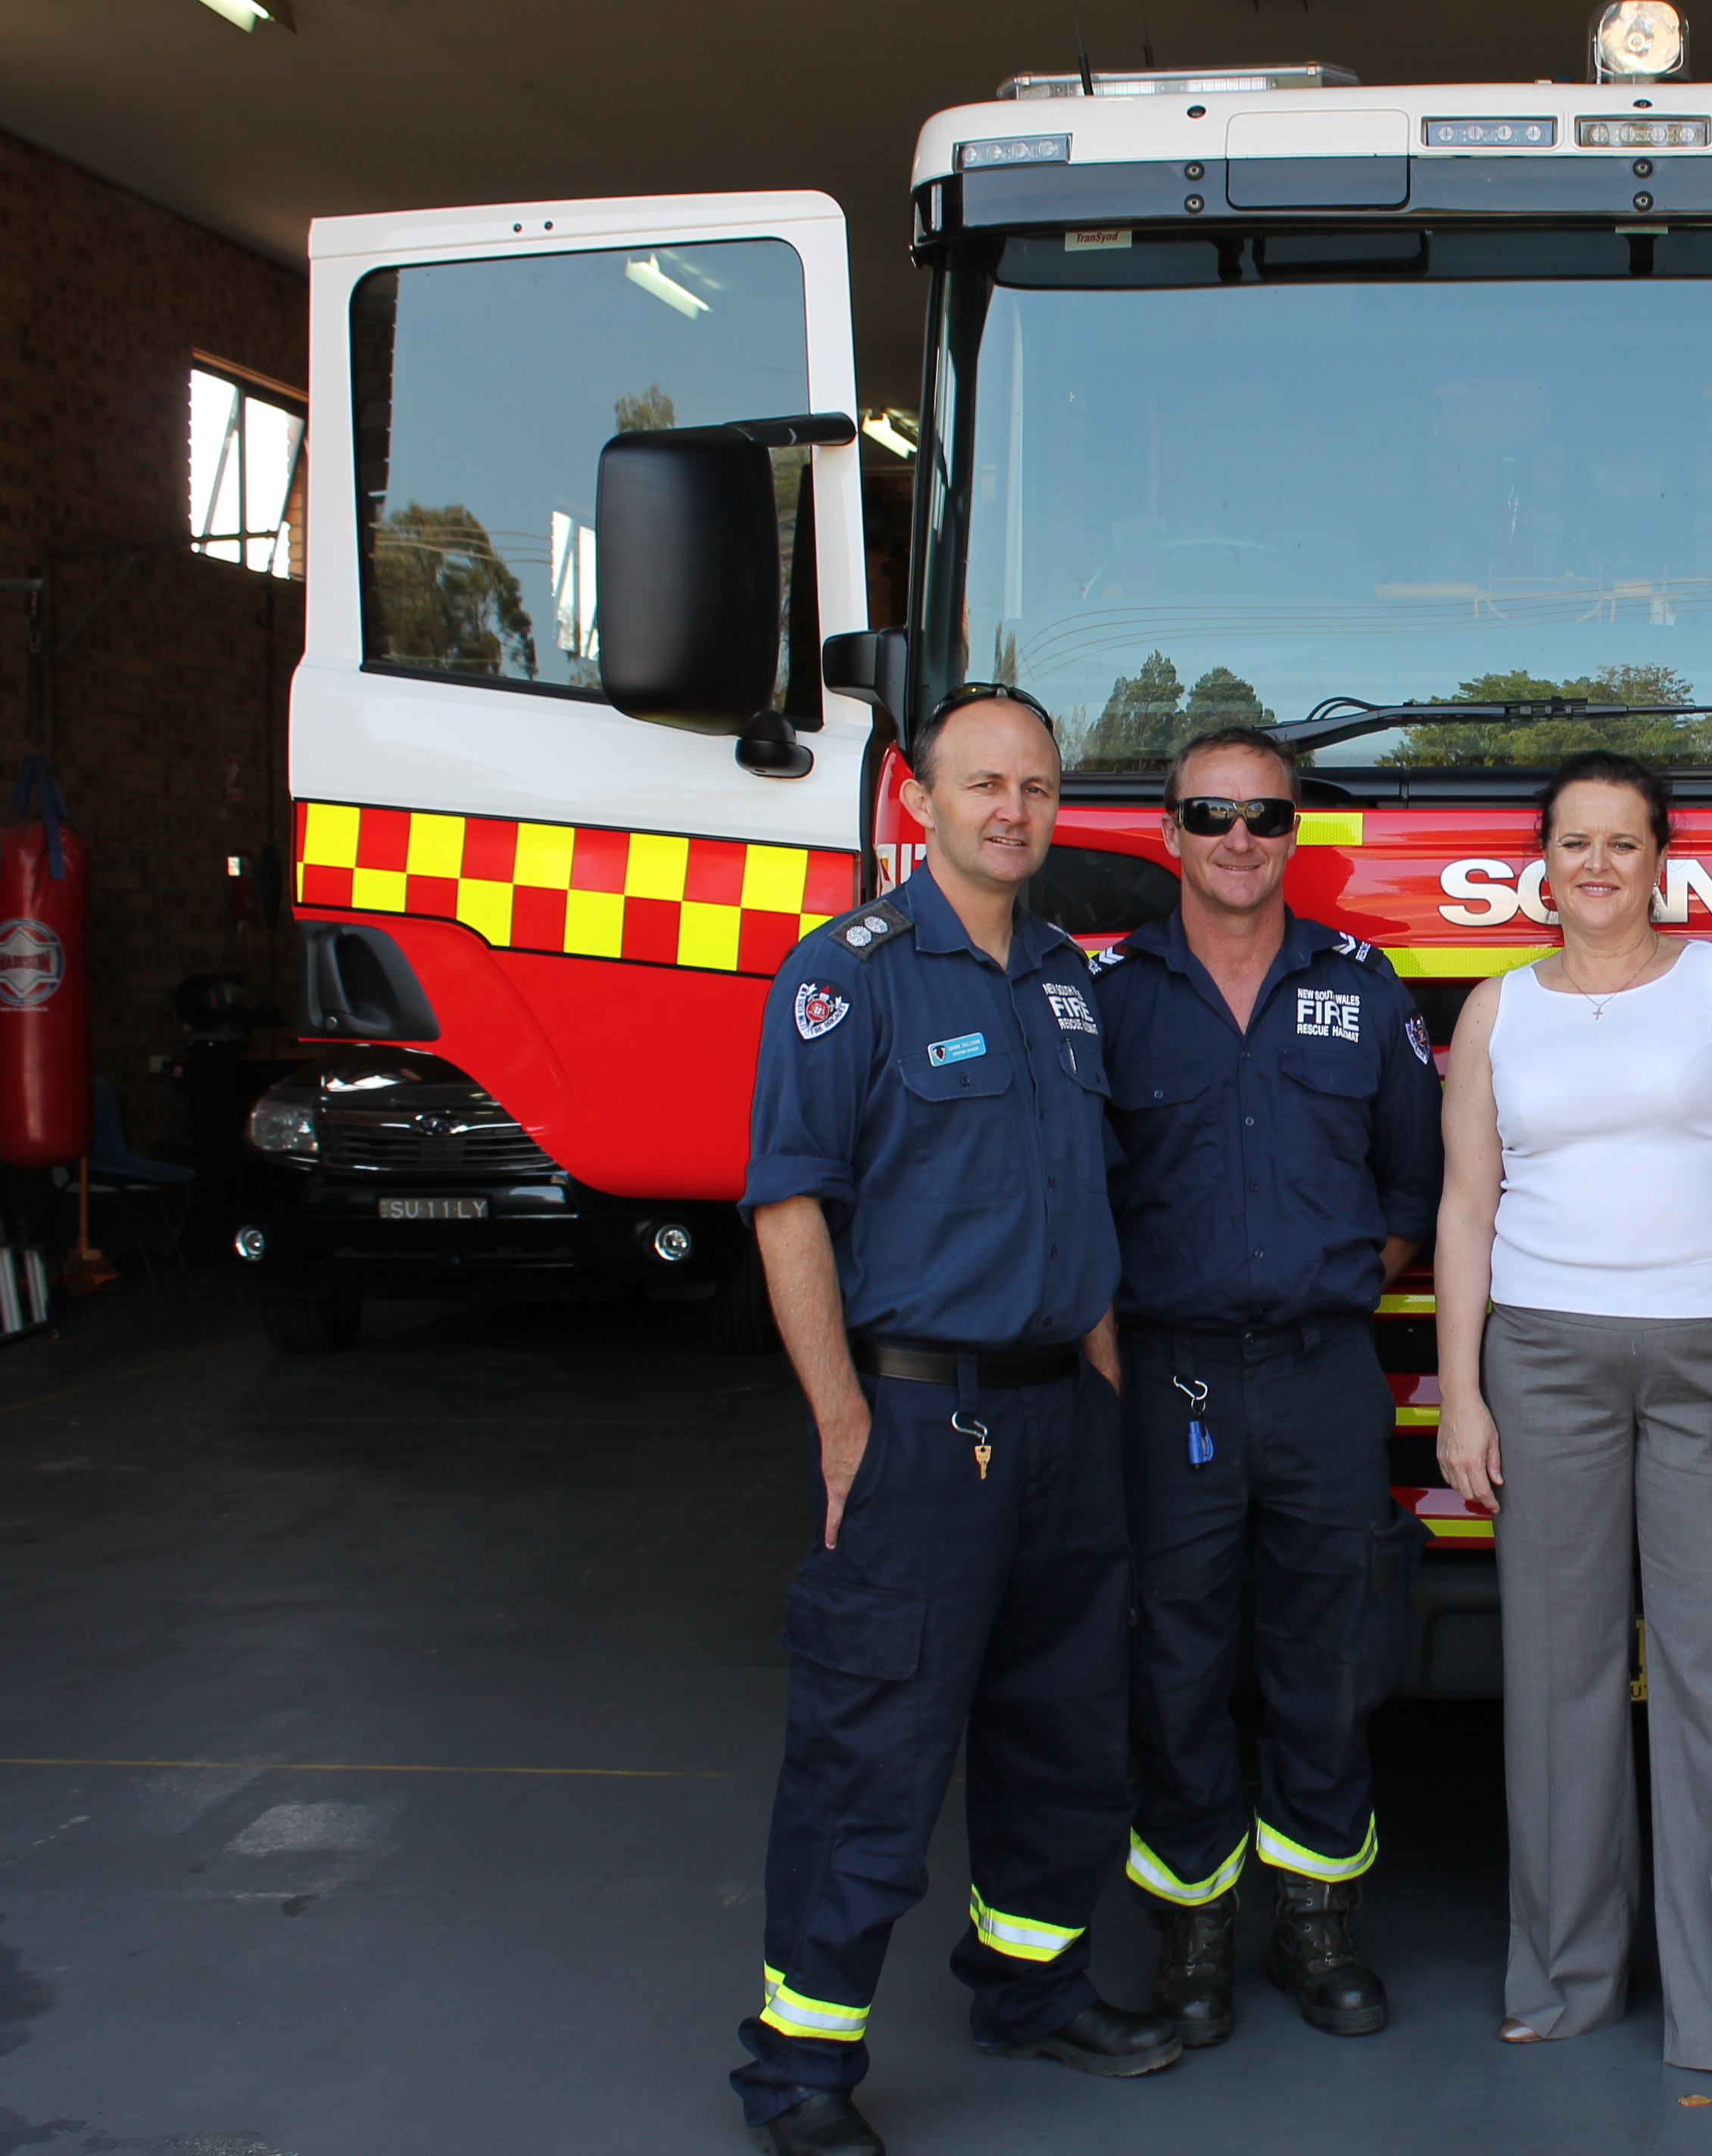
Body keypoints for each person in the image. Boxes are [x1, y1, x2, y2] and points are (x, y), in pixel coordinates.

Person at [731, 686, 1177, 2156]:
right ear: (918, 803)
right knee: (874, 1745)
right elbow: (790, 1208)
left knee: (1064, 1731)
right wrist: (842, 1423)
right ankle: (801, 2066)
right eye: (982, 783)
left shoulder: (1065, 978)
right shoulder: (846, 975)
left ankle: (1031, 1988)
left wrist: (1104, 1377)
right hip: (923, 1422)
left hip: (1062, 1423)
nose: (1013, 809)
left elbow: (1083, 1204)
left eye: (1036, 786)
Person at [1433, 749, 1712, 2097]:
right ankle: (1563, 1979)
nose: (1597, 865)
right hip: (1543, 1368)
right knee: (1558, 1681)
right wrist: (1463, 1392)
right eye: (1574, 842)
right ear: (1541, 867)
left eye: (1622, 841)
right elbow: (1467, 1208)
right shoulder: (1497, 1009)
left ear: (1662, 858)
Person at [1087, 724, 1445, 2043]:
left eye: (1267, 816)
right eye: (1212, 814)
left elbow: (1414, 1186)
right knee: (1172, 1661)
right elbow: (1077, 1198)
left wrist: (1327, 1282)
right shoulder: (1109, 996)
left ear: (1299, 833)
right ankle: (1194, 1933)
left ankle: (1316, 1923)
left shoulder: (1364, 986)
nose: (1240, 838)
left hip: (1320, 1376)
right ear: (1169, 833)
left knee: (1330, 1656)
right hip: (1166, 1379)